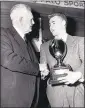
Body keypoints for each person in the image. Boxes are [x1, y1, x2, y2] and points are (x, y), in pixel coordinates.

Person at [40, 13, 84, 107]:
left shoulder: (80, 41)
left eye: (53, 22)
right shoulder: (44, 46)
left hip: (76, 94)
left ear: (63, 22)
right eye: (49, 24)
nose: (51, 26)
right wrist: (44, 72)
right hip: (55, 96)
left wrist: (78, 74)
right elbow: (43, 67)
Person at [1, 4, 40, 107]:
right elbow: (8, 60)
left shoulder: (28, 42)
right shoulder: (3, 34)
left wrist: (42, 71)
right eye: (31, 19)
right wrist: (38, 67)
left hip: (30, 102)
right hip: (12, 101)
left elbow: (32, 67)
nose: (34, 22)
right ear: (21, 20)